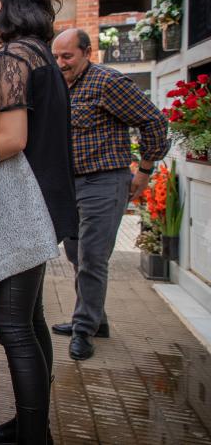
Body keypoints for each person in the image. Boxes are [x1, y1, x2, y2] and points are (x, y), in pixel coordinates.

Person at [0, 0, 78, 445]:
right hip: (45, 203)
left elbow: (10, 139)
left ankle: (34, 436)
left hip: (22, 204)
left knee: (10, 323)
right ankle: (33, 426)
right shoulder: (41, 54)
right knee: (29, 321)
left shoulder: (10, 56)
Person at [51, 28, 169, 360]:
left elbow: (154, 122)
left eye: (67, 56)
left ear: (88, 52)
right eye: (56, 57)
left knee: (92, 256)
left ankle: (84, 329)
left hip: (104, 182)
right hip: (71, 184)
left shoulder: (108, 82)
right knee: (75, 255)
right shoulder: (61, 87)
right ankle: (95, 319)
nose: (61, 63)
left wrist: (144, 170)